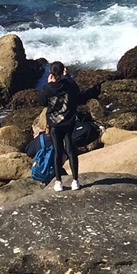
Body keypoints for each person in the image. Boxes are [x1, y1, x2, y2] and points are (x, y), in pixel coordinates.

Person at [39, 61, 83, 191]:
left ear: (51, 73)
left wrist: (48, 84)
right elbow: (77, 92)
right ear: (63, 71)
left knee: (58, 152)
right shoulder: (68, 84)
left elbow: (42, 102)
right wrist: (68, 76)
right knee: (71, 150)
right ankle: (75, 181)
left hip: (54, 124)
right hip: (69, 121)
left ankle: (58, 182)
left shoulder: (48, 88)